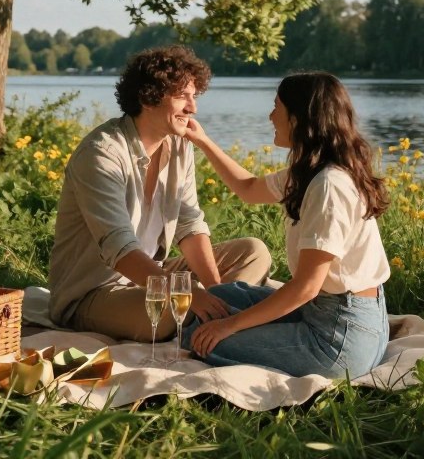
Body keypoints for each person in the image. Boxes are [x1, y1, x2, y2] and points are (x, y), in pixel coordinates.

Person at [47, 45, 272, 342]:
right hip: (94, 292)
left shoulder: (179, 144)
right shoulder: (100, 155)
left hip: (154, 275)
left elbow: (189, 225)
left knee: (254, 252)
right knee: (170, 309)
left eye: (194, 96)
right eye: (182, 96)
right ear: (148, 97)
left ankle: (217, 318)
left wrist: (215, 290)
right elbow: (120, 248)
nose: (192, 108)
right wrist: (187, 294)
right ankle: (214, 324)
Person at [180, 72, 390, 379]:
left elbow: (305, 288)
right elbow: (249, 189)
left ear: (298, 117)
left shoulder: (329, 185)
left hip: (340, 338)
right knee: (222, 297)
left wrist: (230, 326)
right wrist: (202, 140)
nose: (270, 116)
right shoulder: (311, 171)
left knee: (200, 338)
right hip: (326, 312)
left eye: (276, 106)